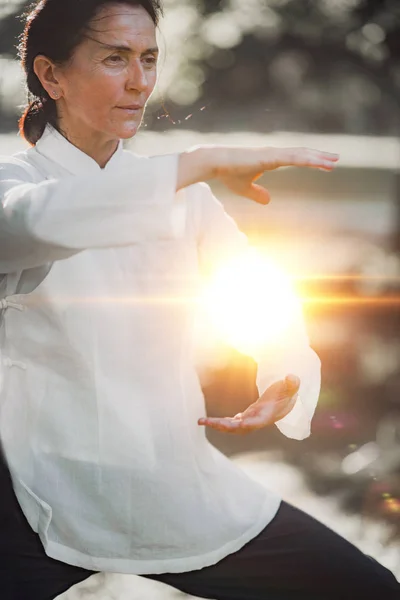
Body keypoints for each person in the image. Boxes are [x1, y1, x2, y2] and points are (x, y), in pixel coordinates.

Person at [0, 1, 398, 599]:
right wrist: (198, 163)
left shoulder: (184, 198)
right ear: (51, 75)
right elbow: (37, 225)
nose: (139, 81)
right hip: (34, 492)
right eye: (115, 58)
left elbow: (252, 290)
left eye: (149, 59)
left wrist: (281, 370)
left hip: (168, 479)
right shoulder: (17, 186)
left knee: (366, 589)